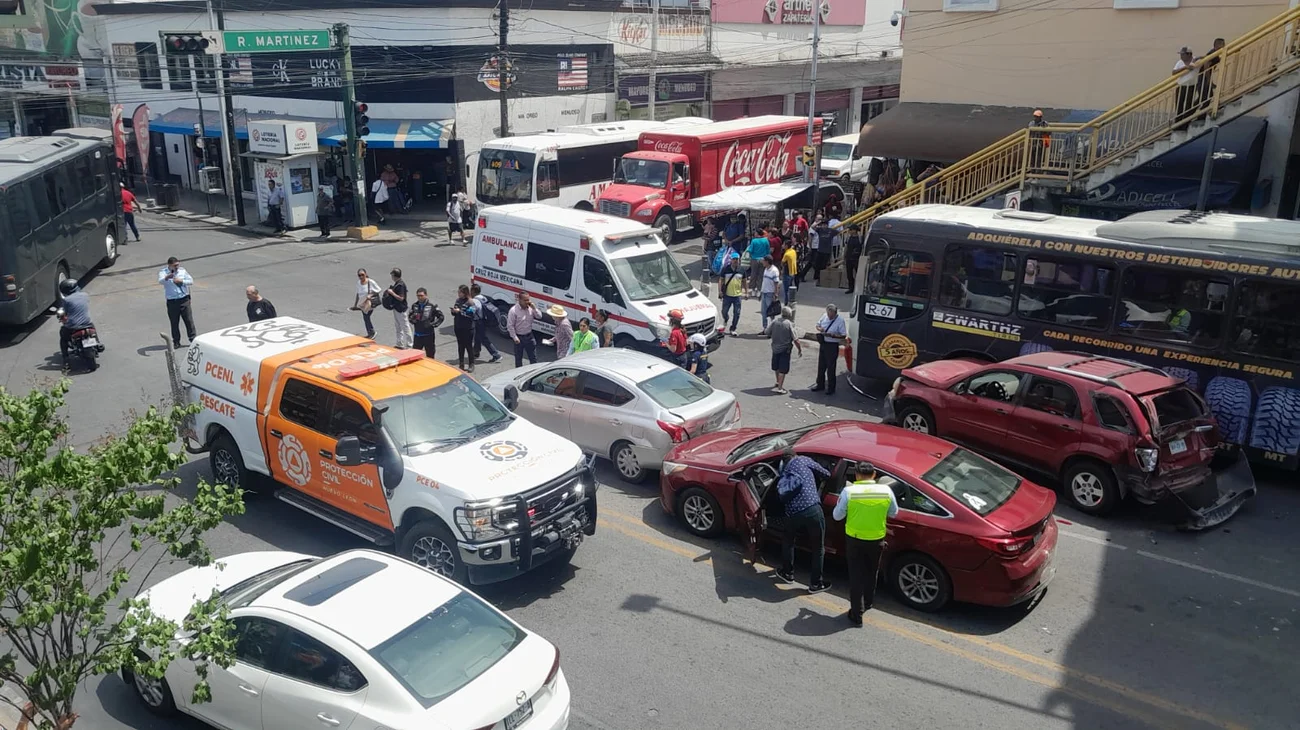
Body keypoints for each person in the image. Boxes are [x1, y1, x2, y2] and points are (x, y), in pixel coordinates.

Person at [832, 461, 898, 625]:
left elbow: (837, 516)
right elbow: (894, 512)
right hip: (876, 540)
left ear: (857, 475)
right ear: (874, 475)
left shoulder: (849, 491)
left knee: (856, 576)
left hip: (854, 540)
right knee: (871, 571)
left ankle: (857, 613)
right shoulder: (886, 490)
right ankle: (868, 602)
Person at [774, 449, 832, 594]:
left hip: (792, 513)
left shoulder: (784, 471)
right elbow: (826, 474)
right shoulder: (803, 460)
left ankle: (787, 573)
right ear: (795, 455)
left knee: (788, 542)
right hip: (812, 509)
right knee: (818, 548)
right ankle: (815, 584)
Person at [159, 256, 196, 348]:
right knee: (174, 322)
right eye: (174, 265)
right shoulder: (163, 272)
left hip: (184, 299)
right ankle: (176, 341)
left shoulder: (182, 271)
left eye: (178, 265)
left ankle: (193, 339)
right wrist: (167, 277)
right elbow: (160, 281)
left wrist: (182, 281)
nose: (176, 267)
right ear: (169, 265)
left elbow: (191, 281)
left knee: (189, 321)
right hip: (172, 301)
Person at [812, 303, 847, 395]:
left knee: (831, 367)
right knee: (821, 366)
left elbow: (843, 335)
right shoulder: (824, 316)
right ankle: (820, 384)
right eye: (828, 314)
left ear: (835, 313)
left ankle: (831, 388)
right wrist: (820, 329)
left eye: (831, 315)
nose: (829, 317)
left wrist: (832, 335)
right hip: (823, 343)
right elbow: (817, 325)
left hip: (832, 345)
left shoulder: (840, 321)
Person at [58, 279, 93, 371]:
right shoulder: (85, 295)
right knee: (92, 326)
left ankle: (66, 360)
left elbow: (65, 313)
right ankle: (97, 341)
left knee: (63, 336)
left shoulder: (66, 300)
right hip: (87, 323)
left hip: (73, 326)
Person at [766, 306, 802, 394]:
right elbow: (796, 339)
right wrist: (799, 349)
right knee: (783, 368)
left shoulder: (774, 321)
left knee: (776, 366)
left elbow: (767, 332)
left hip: (775, 347)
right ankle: (780, 388)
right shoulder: (789, 324)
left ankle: (778, 381)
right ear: (789, 315)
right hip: (785, 349)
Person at [507, 291, 544, 366]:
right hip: (519, 338)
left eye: (528, 300)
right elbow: (510, 326)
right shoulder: (513, 311)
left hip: (529, 336)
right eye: (525, 300)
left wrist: (534, 308)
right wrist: (515, 338)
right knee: (518, 359)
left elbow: (539, 316)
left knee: (533, 358)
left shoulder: (531, 308)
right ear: (519, 300)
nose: (527, 302)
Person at [470, 283, 502, 363]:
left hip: (479, 321)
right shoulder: (482, 297)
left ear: (473, 291)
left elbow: (474, 310)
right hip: (485, 320)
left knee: (483, 338)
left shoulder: (475, 300)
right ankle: (476, 352)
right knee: (478, 336)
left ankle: (496, 355)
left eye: (471, 290)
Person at [383, 268, 412, 348]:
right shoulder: (397, 283)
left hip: (401, 309)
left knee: (405, 327)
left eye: (392, 275)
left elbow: (401, 298)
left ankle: (409, 345)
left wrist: (392, 293)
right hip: (396, 308)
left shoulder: (400, 285)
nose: (391, 277)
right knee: (398, 327)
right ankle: (399, 343)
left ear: (394, 275)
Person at [451, 284, 477, 371]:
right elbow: (455, 311)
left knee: (469, 346)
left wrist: (460, 311)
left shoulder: (470, 302)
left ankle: (471, 364)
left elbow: (471, 314)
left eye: (460, 292)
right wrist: (454, 311)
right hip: (458, 327)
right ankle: (461, 364)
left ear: (465, 293)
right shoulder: (458, 301)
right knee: (460, 346)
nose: (458, 294)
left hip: (468, 328)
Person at [409, 287, 439, 359]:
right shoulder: (414, 305)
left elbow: (441, 317)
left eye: (421, 296)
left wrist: (432, 324)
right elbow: (410, 317)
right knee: (415, 356)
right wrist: (413, 320)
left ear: (426, 295)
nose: (420, 297)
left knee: (430, 355)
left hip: (428, 335)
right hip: (418, 335)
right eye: (418, 296)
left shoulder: (432, 305)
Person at [352, 268, 382, 339]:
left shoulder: (371, 282)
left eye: (362, 275)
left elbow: (379, 290)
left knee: (366, 316)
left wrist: (371, 295)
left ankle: (372, 332)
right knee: (365, 317)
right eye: (359, 275)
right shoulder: (359, 283)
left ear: (366, 274)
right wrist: (355, 305)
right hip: (363, 303)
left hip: (369, 303)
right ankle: (370, 333)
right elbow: (358, 294)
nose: (361, 277)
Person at [1173, 47, 1199, 128]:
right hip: (1181, 86)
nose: (1181, 56)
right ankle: (1178, 123)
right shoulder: (1180, 62)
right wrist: (1184, 68)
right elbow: (1173, 72)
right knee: (1179, 105)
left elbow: (1195, 65)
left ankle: (1185, 122)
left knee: (1188, 104)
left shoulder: (1195, 60)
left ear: (1189, 54)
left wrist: (1193, 62)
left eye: (1183, 54)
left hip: (1191, 86)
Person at [719, 254, 744, 335]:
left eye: (737, 259)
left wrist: (746, 292)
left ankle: (733, 328)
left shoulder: (741, 269)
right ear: (731, 260)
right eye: (734, 259)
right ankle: (726, 319)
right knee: (724, 311)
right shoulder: (726, 269)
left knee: (737, 313)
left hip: (737, 296)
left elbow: (745, 281)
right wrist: (720, 291)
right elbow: (721, 280)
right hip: (727, 295)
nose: (736, 261)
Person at [745, 232, 771, 297]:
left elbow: (750, 250)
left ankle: (753, 289)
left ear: (757, 234)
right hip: (763, 260)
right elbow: (768, 251)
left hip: (754, 259)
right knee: (761, 275)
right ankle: (759, 290)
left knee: (753, 274)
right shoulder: (766, 240)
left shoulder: (754, 241)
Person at [811, 217, 835, 285]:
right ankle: (816, 277)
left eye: (825, 224)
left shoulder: (831, 231)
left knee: (823, 266)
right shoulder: (820, 230)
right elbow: (812, 227)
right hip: (820, 250)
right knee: (817, 265)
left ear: (827, 225)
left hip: (827, 251)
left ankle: (821, 279)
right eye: (823, 224)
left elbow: (839, 232)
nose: (824, 226)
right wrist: (819, 222)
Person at [759, 255, 781, 331]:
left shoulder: (774, 271)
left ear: (767, 262)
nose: (762, 262)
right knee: (763, 312)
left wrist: (775, 294)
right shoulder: (766, 269)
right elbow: (764, 282)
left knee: (771, 313)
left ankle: (772, 329)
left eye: (763, 261)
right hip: (764, 293)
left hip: (770, 294)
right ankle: (765, 329)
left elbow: (776, 283)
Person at [844, 226, 864, 294]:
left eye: (851, 230)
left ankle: (858, 288)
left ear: (855, 230)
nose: (849, 231)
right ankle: (851, 288)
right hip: (849, 258)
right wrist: (844, 256)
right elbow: (846, 247)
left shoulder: (860, 238)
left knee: (858, 274)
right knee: (849, 274)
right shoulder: (848, 237)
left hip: (857, 258)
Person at [781, 237, 799, 303]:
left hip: (787, 273)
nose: (782, 245)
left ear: (786, 246)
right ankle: (791, 301)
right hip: (793, 272)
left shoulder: (786, 254)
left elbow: (782, 263)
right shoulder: (793, 251)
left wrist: (781, 270)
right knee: (790, 288)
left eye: (783, 244)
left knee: (786, 290)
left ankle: (786, 303)